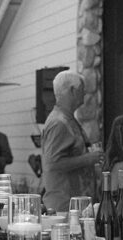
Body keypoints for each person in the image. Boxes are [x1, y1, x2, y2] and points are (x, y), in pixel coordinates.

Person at [40, 70, 102, 213]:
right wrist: (88, 159)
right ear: (72, 90)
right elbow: (52, 163)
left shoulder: (67, 119)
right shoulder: (59, 123)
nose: (85, 93)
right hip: (64, 207)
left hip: (74, 206)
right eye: (82, 89)